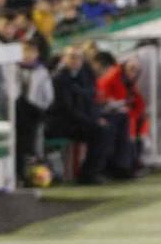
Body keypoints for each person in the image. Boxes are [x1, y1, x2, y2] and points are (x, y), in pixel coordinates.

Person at [46, 45, 109, 185]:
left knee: (105, 128)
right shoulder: (59, 78)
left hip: (78, 121)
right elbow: (67, 109)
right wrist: (91, 122)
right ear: (64, 58)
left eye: (79, 58)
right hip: (61, 124)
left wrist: (96, 118)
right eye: (72, 57)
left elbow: (91, 101)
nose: (76, 61)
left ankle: (94, 171)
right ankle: (88, 174)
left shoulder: (84, 76)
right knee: (99, 132)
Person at [14, 38, 54, 182]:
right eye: (25, 51)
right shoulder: (13, 69)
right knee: (18, 144)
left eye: (31, 52)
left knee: (34, 144)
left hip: (35, 112)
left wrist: (41, 107)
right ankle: (19, 173)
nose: (27, 55)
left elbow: (48, 95)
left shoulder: (41, 71)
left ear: (36, 53)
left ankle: (32, 174)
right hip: (17, 112)